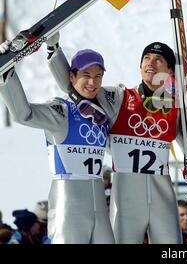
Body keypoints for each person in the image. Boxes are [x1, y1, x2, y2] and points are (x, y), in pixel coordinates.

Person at [46, 34, 184, 243]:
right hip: (125, 200)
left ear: (170, 72)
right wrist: (53, 50)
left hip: (162, 196)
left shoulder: (176, 106)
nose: (151, 63)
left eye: (159, 59)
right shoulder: (120, 97)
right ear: (139, 66)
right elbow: (74, 85)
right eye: (146, 58)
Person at [0, 41, 115, 244]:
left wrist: (54, 51)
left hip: (98, 197)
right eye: (86, 76)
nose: (93, 83)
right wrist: (6, 72)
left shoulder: (100, 113)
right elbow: (23, 114)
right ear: (72, 76)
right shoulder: (61, 111)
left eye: (98, 77)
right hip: (69, 199)